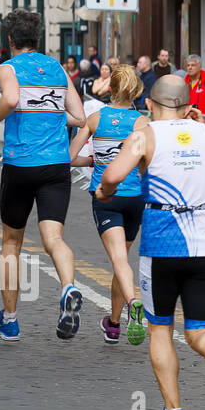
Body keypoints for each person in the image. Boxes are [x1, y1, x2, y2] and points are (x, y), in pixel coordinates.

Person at [98, 75, 205, 410]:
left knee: (160, 328)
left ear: (149, 103)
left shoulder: (145, 135)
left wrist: (104, 191)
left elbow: (114, 174)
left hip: (163, 244)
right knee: (200, 332)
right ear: (187, 102)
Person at [0, 8, 87, 341]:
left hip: (20, 165)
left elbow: (10, 99)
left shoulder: (7, 68)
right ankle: (68, 287)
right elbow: (80, 117)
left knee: (11, 243)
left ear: (9, 39)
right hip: (56, 165)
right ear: (37, 37)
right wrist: (52, 116)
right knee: (54, 238)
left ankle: (10, 320)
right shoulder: (56, 68)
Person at [69, 64, 149, 345]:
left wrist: (91, 161)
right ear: (136, 91)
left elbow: (70, 157)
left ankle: (133, 302)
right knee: (123, 261)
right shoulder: (142, 123)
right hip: (135, 198)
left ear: (110, 89)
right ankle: (113, 325)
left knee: (118, 260)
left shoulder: (95, 118)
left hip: (107, 196)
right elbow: (147, 161)